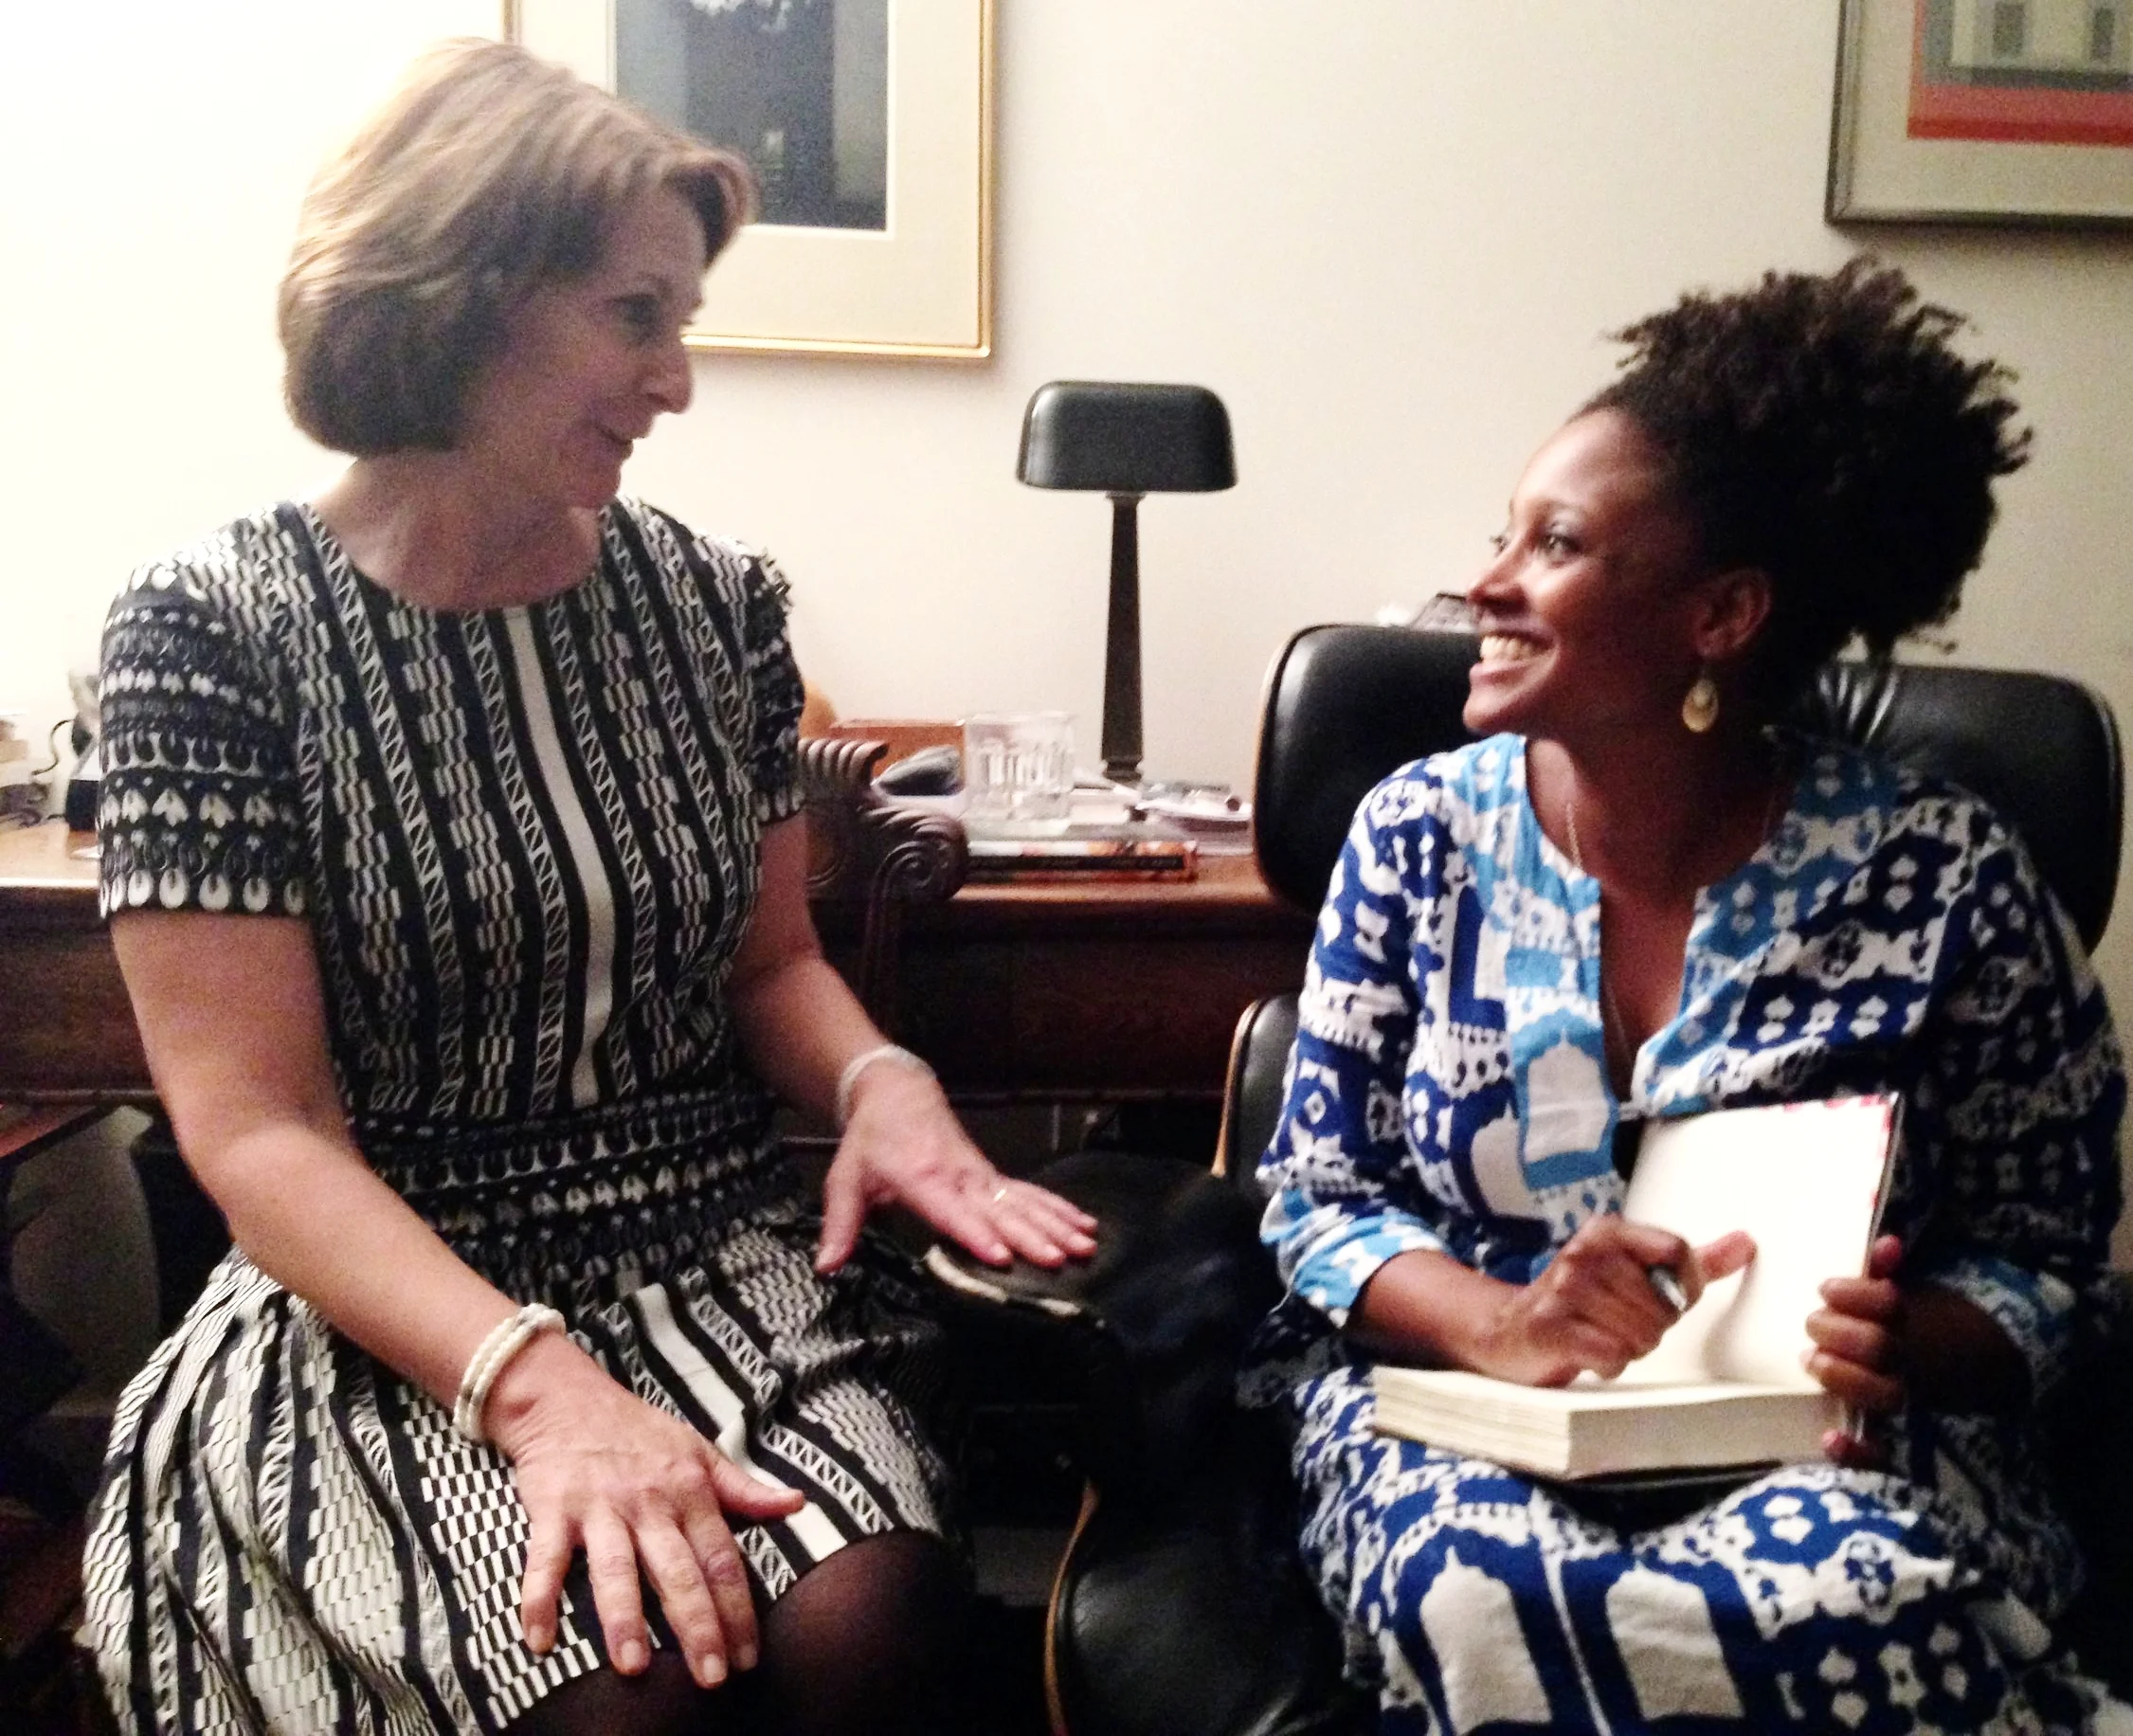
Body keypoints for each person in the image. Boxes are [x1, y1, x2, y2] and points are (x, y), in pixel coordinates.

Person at [81, 37, 1094, 1736]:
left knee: (876, 1630)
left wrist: (880, 1077)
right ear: (456, 294)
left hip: (702, 1250)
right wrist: (540, 1393)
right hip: (393, 1308)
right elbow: (257, 1131)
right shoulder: (209, 635)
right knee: (618, 1694)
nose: (679, 380)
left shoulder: (713, 609)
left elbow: (769, 964)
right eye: (639, 316)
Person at [1250, 260, 2128, 1732]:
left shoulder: (1940, 873)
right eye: (1501, 534)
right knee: (1478, 1595)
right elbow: (1315, 1199)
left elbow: (2049, 1247)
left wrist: (1914, 1345)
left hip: (1828, 1449)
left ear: (1720, 615)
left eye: (1558, 542)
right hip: (1469, 1420)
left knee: (1840, 1593)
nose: (1486, 579)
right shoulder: (1413, 838)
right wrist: (1496, 1321)